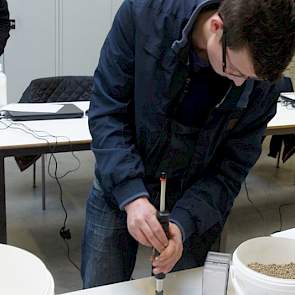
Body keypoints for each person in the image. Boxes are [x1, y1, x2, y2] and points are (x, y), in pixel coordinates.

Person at [82, 0, 295, 288]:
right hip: (118, 177)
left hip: (194, 193)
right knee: (102, 287)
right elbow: (107, 110)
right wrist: (130, 194)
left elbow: (231, 167)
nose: (239, 85)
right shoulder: (145, 13)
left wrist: (184, 223)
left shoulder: (260, 81)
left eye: (250, 78)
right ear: (217, 27)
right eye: (234, 70)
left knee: (182, 287)